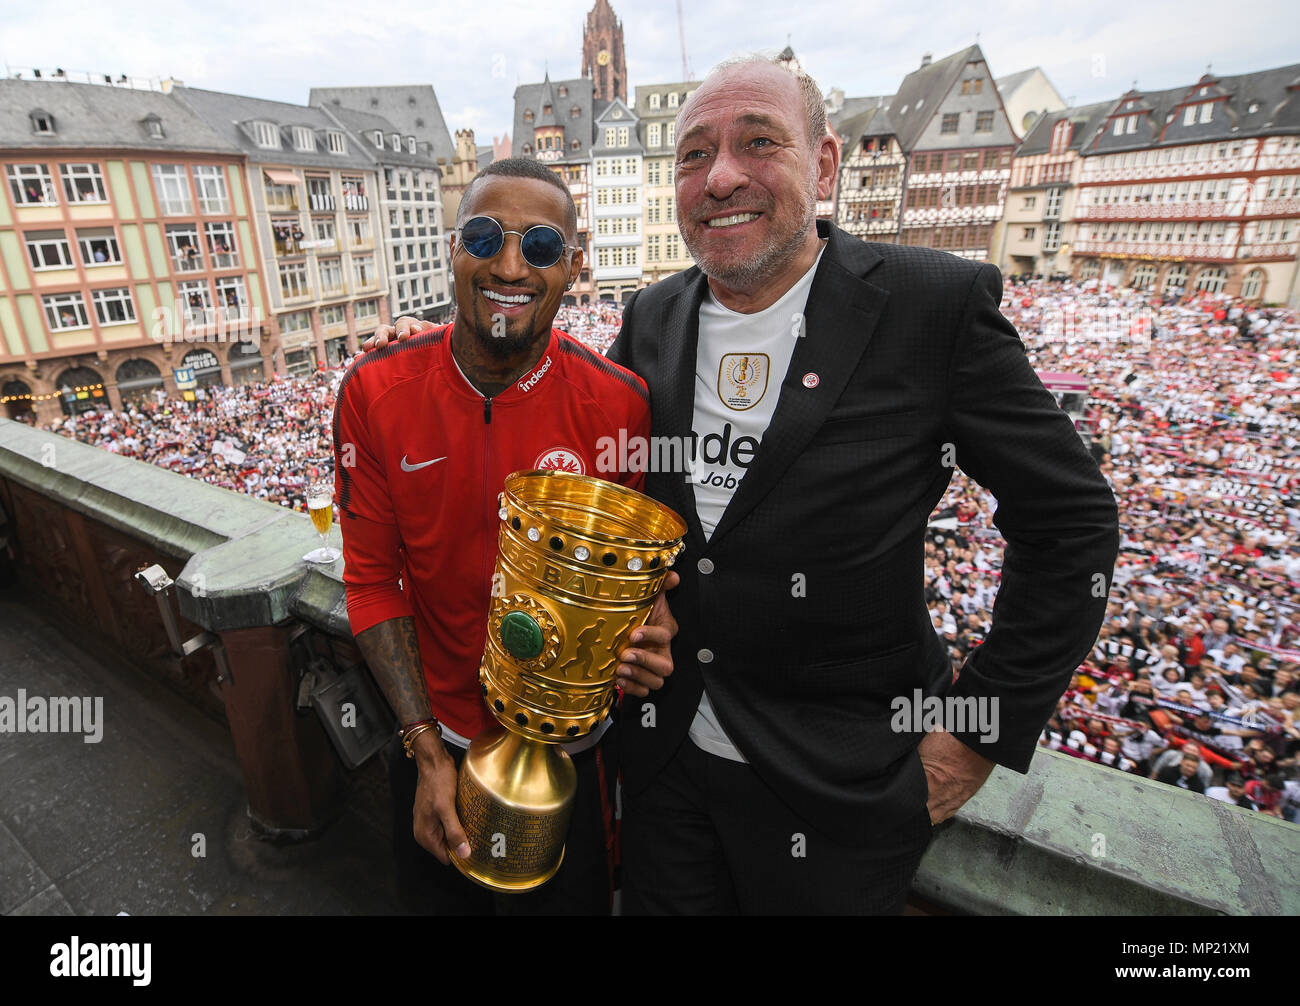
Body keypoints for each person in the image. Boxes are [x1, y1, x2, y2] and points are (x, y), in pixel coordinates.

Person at [368, 54, 1118, 914]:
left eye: (757, 143)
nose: (721, 176)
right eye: (694, 154)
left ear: (824, 164)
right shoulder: (655, 315)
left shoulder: (931, 306)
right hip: (665, 772)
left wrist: (972, 737)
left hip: (835, 788)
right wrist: (431, 354)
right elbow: (593, 467)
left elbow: (1073, 526)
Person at [334, 156, 677, 915]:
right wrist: (424, 747)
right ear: (452, 249)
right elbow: (369, 580)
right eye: (484, 236)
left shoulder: (621, 404)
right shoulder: (374, 392)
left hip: (569, 753)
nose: (512, 265)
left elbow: (632, 584)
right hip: (435, 736)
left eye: (543, 246)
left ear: (573, 266)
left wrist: (647, 625)